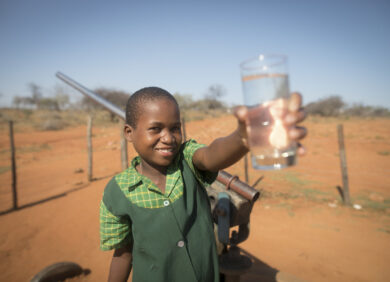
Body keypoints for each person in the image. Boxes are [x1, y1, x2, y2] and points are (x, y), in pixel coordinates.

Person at [99, 87, 306, 282]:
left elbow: (211, 156)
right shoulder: (117, 191)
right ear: (129, 133)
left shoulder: (187, 159)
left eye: (175, 128)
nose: (168, 138)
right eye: (155, 129)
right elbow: (122, 255)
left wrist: (243, 137)